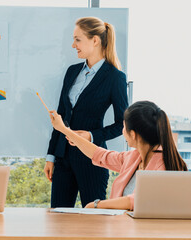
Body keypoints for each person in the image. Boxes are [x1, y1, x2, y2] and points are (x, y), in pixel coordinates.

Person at [44, 16, 128, 208]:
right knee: (58, 220)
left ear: (95, 40)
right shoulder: (72, 72)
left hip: (93, 160)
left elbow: (122, 124)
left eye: (78, 39)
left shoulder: (115, 77)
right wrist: (51, 157)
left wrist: (90, 135)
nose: (73, 45)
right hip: (63, 158)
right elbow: (61, 118)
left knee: (95, 223)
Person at [49, 101, 188, 210]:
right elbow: (99, 154)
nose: (122, 132)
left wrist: (97, 205)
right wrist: (63, 129)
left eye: (123, 127)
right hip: (122, 229)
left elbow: (137, 200)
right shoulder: (134, 157)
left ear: (133, 134)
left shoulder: (163, 165)